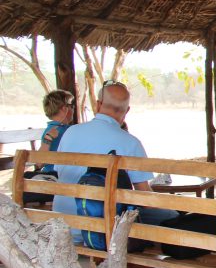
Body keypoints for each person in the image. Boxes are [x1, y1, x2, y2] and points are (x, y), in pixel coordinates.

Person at [52, 80, 178, 244]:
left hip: (63, 225)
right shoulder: (130, 142)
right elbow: (145, 199)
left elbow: (60, 172)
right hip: (103, 231)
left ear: (98, 104)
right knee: (171, 217)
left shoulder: (70, 132)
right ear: (127, 111)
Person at [38, 89, 75, 172]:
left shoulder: (50, 129)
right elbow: (39, 162)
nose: (73, 110)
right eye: (71, 106)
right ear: (64, 109)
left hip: (50, 173)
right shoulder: (66, 131)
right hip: (59, 176)